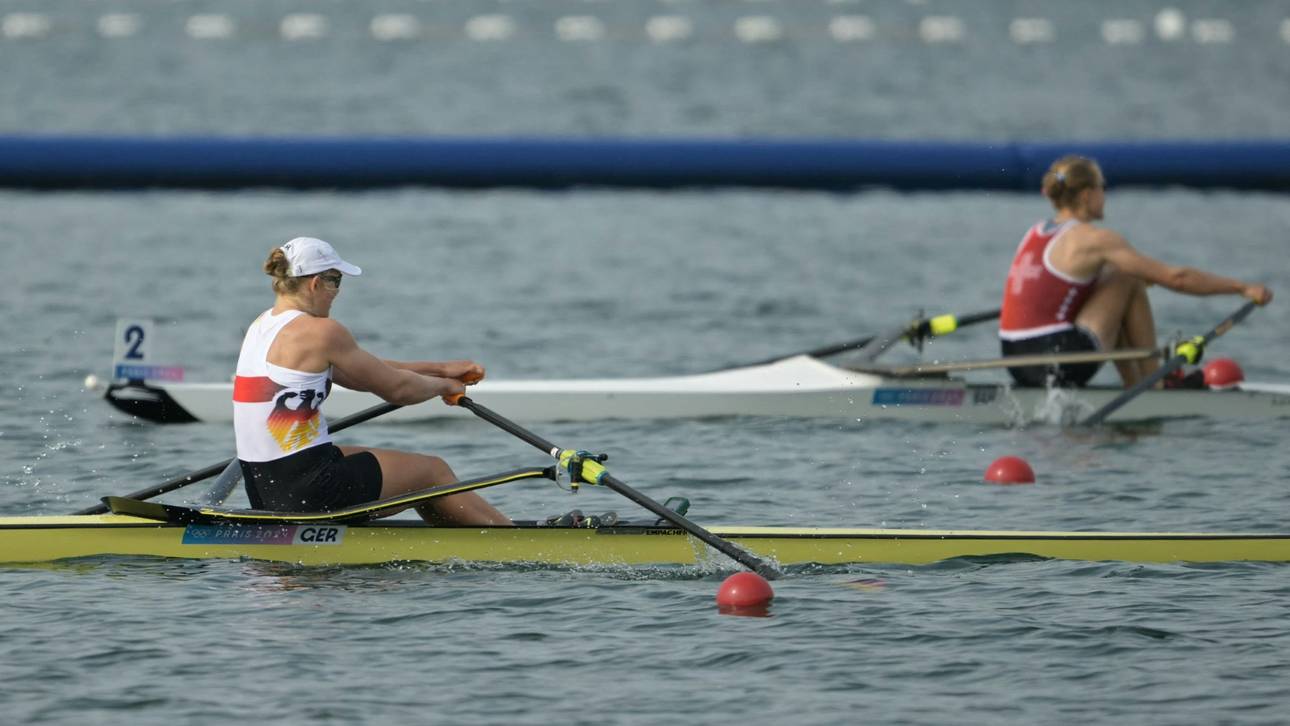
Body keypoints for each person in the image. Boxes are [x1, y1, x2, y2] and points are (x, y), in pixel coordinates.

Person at [233, 236, 510, 525]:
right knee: (433, 472)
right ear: (316, 283)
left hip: (263, 485)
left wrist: (441, 370)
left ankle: (461, 537)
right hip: (308, 490)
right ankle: (509, 540)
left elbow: (366, 370)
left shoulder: (260, 326)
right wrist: (445, 387)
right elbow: (398, 389)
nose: (337, 292)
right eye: (335, 281)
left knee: (381, 462)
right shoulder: (321, 331)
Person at [999, 155, 1272, 389]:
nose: (1105, 195)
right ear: (1086, 195)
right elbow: (1176, 278)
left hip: (1015, 360)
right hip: (1056, 362)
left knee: (1121, 278)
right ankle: (1156, 383)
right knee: (1126, 277)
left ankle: (1143, 386)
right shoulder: (1094, 239)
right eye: (1102, 187)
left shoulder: (1034, 233)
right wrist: (1241, 288)